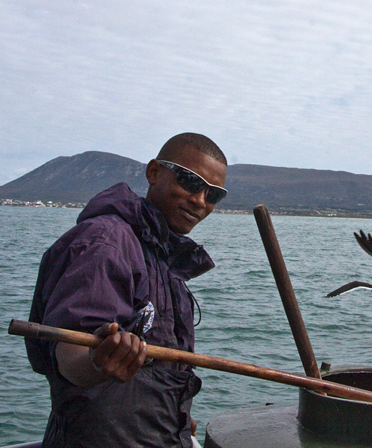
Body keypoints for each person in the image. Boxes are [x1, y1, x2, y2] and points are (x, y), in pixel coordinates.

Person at [26, 132, 227, 448]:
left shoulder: (163, 255)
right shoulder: (105, 245)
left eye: (214, 195)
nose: (200, 200)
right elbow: (68, 352)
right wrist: (97, 360)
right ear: (154, 172)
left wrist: (172, 414)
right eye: (190, 181)